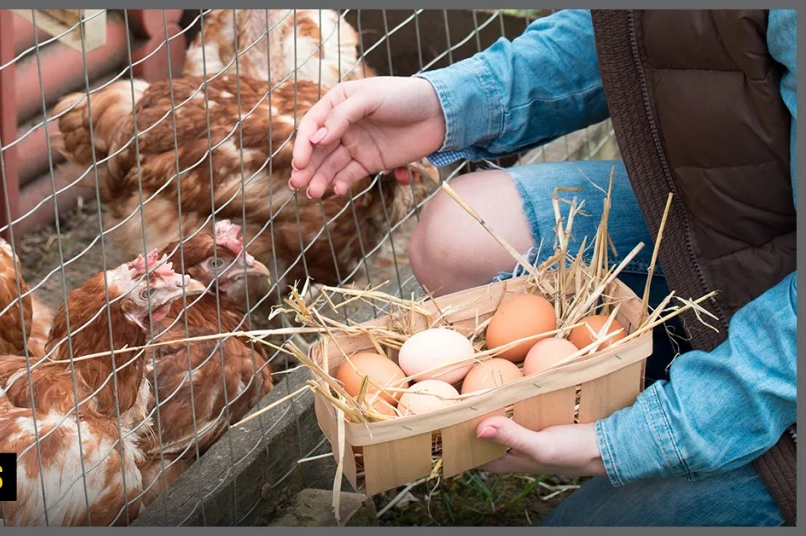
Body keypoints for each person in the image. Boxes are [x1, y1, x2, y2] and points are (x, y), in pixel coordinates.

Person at [289, 9, 797, 527]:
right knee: (463, 232)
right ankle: (671, 382)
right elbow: (623, 30)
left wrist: (634, 441)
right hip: (742, 230)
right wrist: (444, 107)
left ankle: (713, 416)